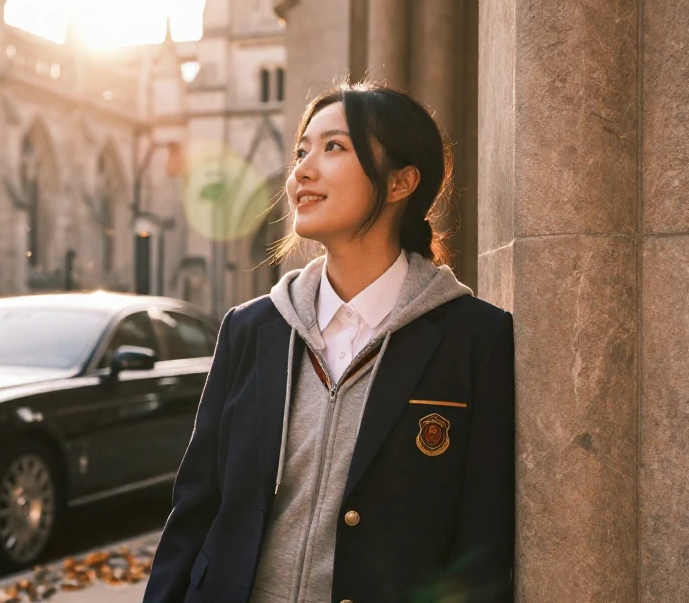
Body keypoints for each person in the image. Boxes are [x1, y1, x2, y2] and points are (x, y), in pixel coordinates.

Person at [143, 82, 515, 603]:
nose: (302, 170)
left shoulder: (476, 340)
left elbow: (482, 544)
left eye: (333, 147)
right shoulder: (251, 329)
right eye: (302, 151)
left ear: (401, 181)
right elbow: (196, 510)